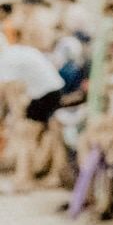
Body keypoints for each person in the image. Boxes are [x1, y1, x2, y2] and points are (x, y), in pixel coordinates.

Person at [0, 32, 67, 193]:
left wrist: (17, 119)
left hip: (45, 94)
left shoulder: (6, 61)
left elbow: (11, 95)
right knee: (28, 136)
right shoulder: (16, 52)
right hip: (51, 91)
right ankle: (25, 178)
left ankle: (23, 180)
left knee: (25, 137)